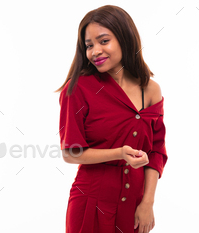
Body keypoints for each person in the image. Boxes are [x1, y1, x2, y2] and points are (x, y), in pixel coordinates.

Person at [55, 5, 168, 233]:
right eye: (88, 45)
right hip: (90, 203)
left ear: (125, 39)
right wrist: (119, 153)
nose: (95, 51)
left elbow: (157, 152)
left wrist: (147, 203)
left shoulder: (151, 90)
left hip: (135, 206)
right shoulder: (77, 89)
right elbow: (70, 152)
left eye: (103, 41)